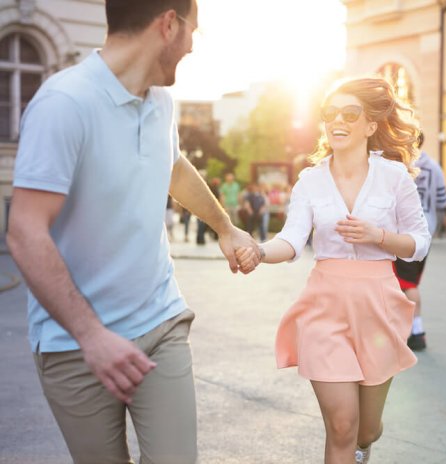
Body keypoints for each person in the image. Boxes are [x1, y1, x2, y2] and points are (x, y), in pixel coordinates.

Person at [6, 1, 260, 462]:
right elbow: (24, 233)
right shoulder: (65, 103)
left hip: (159, 322)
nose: (191, 48)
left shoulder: (159, 99)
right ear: (168, 24)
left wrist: (225, 228)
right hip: (74, 345)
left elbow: (173, 167)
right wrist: (91, 335)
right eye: (192, 33)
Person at [235, 77, 430, 464]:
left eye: (350, 113)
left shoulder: (393, 177)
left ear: (371, 126)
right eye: (330, 114)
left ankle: (363, 447)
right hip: (324, 307)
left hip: (378, 307)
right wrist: (259, 251)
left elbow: (419, 241)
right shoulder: (310, 180)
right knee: (341, 425)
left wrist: (379, 236)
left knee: (365, 429)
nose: (337, 121)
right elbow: (291, 239)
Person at [393, 132, 446, 351]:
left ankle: (417, 332)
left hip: (403, 232)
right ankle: (407, 329)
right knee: (409, 282)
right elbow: (442, 201)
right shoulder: (434, 167)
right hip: (426, 231)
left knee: (407, 285)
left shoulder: (399, 165)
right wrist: (435, 228)